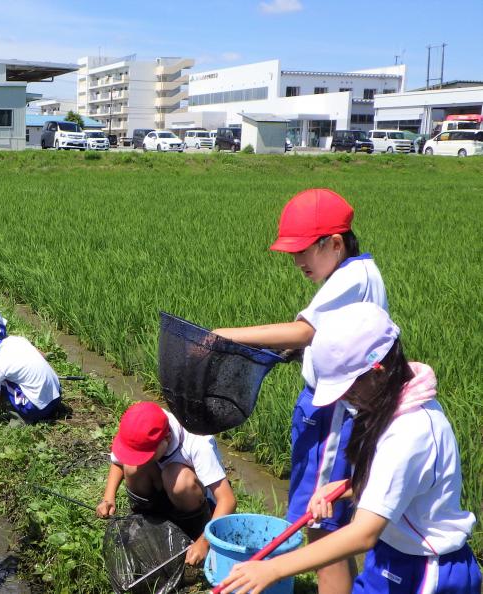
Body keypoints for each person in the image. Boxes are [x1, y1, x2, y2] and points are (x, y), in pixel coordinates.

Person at [218, 303, 481, 594]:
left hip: (424, 569)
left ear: (378, 368)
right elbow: (394, 481)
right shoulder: (390, 402)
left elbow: (362, 534)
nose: (345, 398)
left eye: (349, 387)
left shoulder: (410, 432)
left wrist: (273, 568)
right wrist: (343, 488)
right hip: (390, 552)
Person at [212, 188, 388, 594]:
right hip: (324, 407)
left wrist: (223, 336)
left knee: (321, 525)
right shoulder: (352, 273)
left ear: (335, 243)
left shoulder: (353, 277)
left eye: (304, 250)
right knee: (321, 520)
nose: (297, 261)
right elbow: (317, 338)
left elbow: (306, 331)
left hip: (336, 412)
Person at [96, 401, 236, 565]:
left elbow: (228, 500)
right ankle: (149, 521)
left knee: (176, 477)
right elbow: (119, 461)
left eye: (146, 455)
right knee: (132, 467)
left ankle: (192, 533)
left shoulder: (199, 443)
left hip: (195, 501)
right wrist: (108, 498)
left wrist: (204, 542)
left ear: (167, 438)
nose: (141, 458)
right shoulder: (140, 427)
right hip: (163, 490)